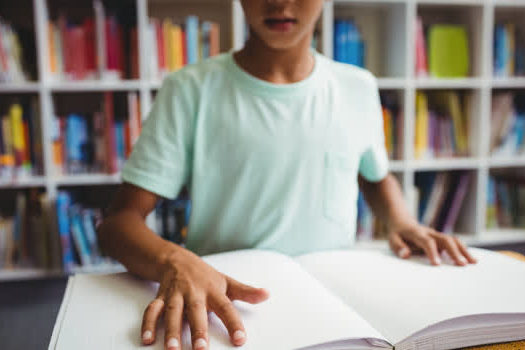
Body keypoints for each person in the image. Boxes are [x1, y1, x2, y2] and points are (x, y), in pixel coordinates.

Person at [96, 0, 477, 349]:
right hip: (226, 307)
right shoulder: (189, 89)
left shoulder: (357, 87)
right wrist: (174, 260)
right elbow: (117, 225)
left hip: (335, 305)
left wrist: (400, 219)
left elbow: (374, 176)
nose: (279, 2)